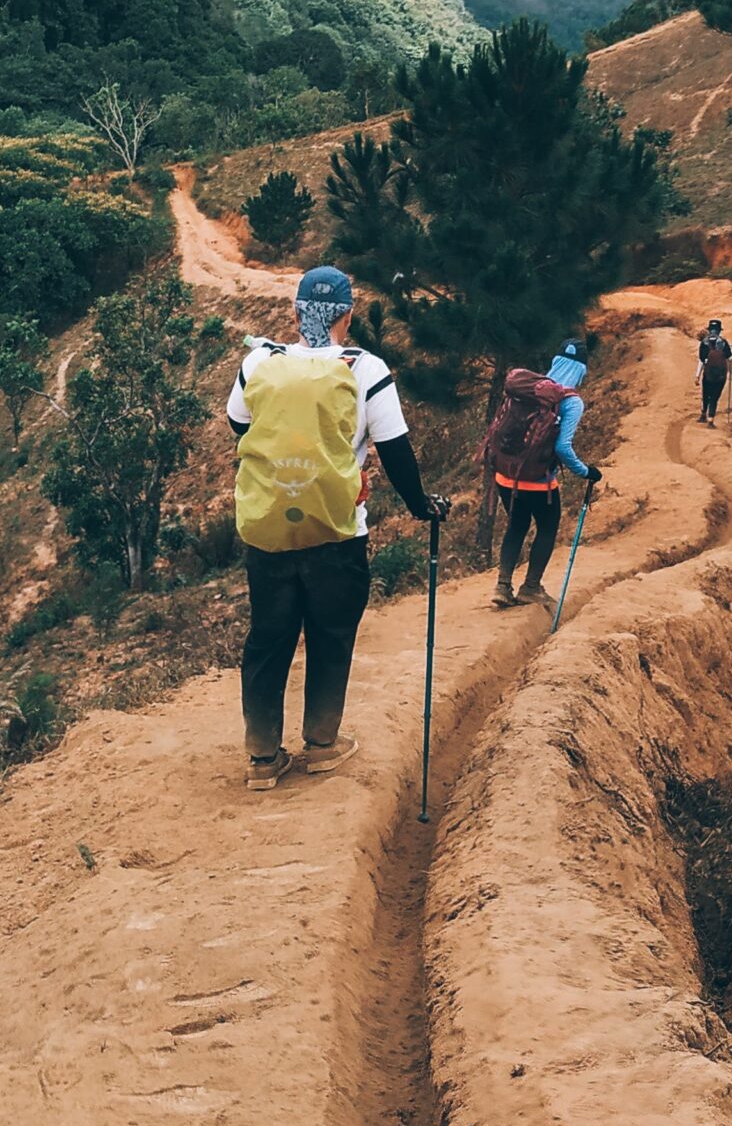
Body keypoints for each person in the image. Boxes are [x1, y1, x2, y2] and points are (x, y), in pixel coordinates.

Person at [229, 265, 443, 791]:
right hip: (338, 530)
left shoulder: (260, 361)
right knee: (330, 634)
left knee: (267, 638)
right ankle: (322, 745)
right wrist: (422, 506)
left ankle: (262, 757)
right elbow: (394, 450)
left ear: (297, 313)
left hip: (270, 528)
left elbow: (239, 422)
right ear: (348, 314)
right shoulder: (365, 368)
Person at [485, 339, 602, 615]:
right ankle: (531, 587)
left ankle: (502, 586)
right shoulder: (570, 401)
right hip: (538, 481)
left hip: (505, 475)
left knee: (516, 524)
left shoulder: (528, 389)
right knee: (547, 527)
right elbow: (562, 447)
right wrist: (586, 472)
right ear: (582, 369)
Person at [697, 319, 731, 422]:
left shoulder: (704, 342)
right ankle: (711, 417)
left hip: (708, 373)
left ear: (709, 329)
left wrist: (697, 375)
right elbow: (729, 357)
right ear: (719, 330)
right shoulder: (724, 342)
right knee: (715, 395)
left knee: (706, 393)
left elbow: (702, 360)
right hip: (721, 375)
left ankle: (703, 413)